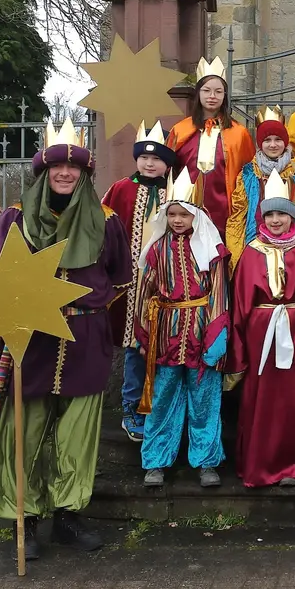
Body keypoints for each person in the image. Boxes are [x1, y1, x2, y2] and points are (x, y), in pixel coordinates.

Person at [0, 118, 130, 559]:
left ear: (85, 175)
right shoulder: (14, 220)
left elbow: (121, 279)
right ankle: (22, 517)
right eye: (57, 168)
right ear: (43, 173)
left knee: (76, 433)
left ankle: (68, 515)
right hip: (31, 337)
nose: (65, 174)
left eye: (74, 168)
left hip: (85, 335)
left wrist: (105, 328)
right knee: (23, 429)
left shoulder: (107, 222)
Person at [226, 170, 295, 488]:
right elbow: (240, 306)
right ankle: (259, 465)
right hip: (259, 336)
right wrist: (239, 351)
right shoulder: (250, 253)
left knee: (291, 400)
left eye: (282, 214)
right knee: (259, 399)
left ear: (292, 218)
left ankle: (293, 464)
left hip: (293, 331)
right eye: (270, 214)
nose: (275, 220)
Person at [134, 169, 234, 489]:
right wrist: (144, 331)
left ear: (196, 215)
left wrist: (217, 336)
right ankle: (156, 462)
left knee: (205, 399)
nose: (178, 220)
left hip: (202, 331)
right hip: (166, 334)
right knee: (162, 398)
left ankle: (206, 461)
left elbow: (219, 293)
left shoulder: (211, 249)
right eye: (173, 214)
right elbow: (145, 291)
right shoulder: (157, 250)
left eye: (184, 214)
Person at [101, 120, 177, 443]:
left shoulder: (175, 193)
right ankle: (132, 405)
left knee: (164, 347)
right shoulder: (121, 189)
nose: (149, 163)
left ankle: (161, 407)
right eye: (144, 158)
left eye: (157, 159)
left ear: (166, 164)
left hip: (166, 283)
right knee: (135, 345)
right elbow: (105, 231)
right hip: (132, 285)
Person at [166, 56, 255, 261]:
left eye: (218, 91)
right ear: (198, 94)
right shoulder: (180, 129)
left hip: (224, 209)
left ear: (225, 96)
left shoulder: (239, 133)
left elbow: (249, 174)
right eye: (206, 91)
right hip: (186, 209)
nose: (212, 96)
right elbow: (169, 169)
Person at [229, 107, 295, 249]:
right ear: (260, 143)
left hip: (292, 244)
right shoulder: (248, 173)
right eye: (267, 140)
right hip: (256, 244)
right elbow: (239, 213)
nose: (273, 145)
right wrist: (237, 251)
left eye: (278, 139)